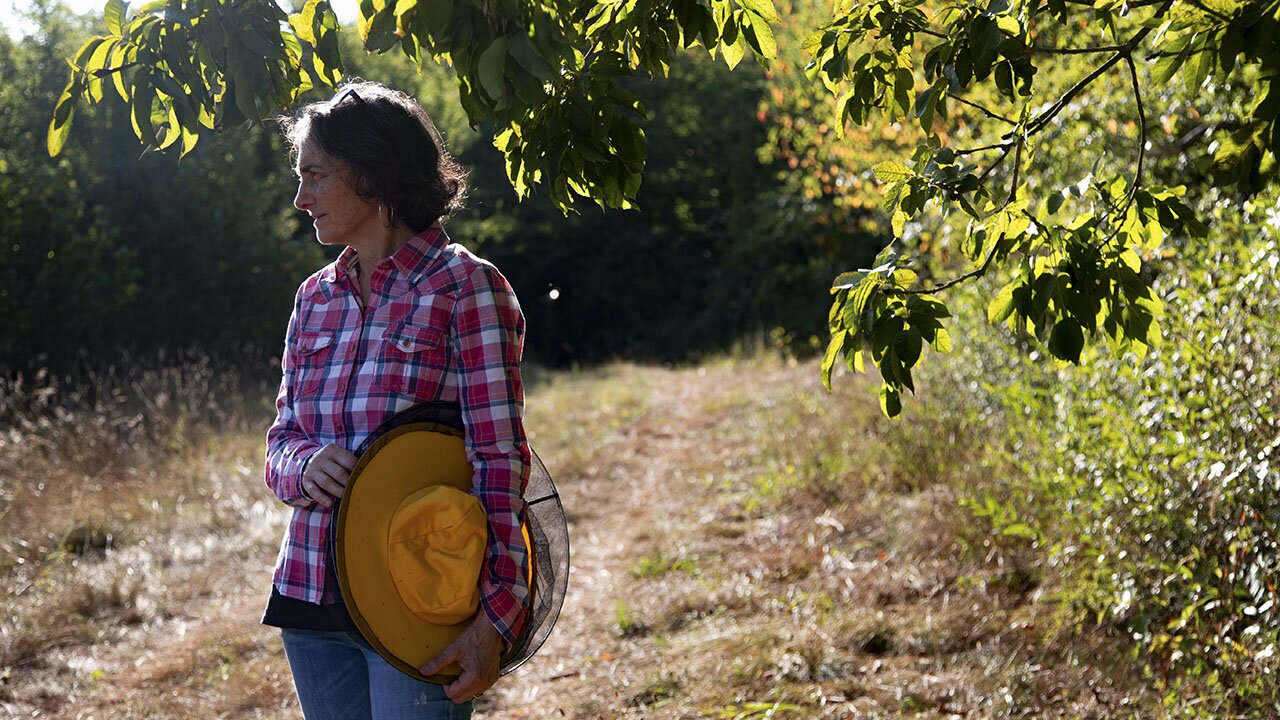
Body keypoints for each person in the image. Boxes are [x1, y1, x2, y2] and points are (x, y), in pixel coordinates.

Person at [262, 81, 531, 720]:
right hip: (310, 596)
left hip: (420, 599)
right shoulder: (314, 298)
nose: (300, 199)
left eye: (315, 176)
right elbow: (281, 441)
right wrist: (304, 464)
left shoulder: (466, 288)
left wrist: (498, 613)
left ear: (371, 173)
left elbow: (498, 460)